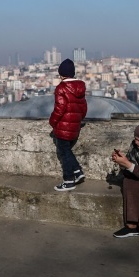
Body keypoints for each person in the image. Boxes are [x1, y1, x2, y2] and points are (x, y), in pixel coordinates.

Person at [49, 59, 88, 191]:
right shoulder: (80, 87)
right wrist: (78, 119)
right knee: (67, 151)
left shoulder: (61, 88)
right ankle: (77, 172)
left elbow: (59, 108)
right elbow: (83, 108)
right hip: (75, 125)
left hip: (63, 127)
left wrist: (52, 122)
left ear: (61, 74)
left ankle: (69, 180)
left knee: (64, 152)